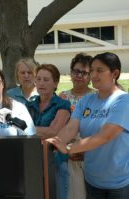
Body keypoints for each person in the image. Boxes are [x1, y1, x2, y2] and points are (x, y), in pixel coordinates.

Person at [47, 52, 129, 199]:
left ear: (114, 73)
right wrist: (54, 142)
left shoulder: (123, 100)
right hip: (93, 180)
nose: (94, 75)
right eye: (92, 70)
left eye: (99, 70)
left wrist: (68, 148)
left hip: (120, 183)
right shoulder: (86, 101)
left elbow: (105, 136)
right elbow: (71, 128)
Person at [26, 64, 71, 199]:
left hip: (56, 161)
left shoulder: (62, 105)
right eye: (38, 79)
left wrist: (27, 128)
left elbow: (53, 131)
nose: (41, 83)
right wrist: (40, 131)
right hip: (33, 161)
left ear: (55, 83)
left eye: (46, 80)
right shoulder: (29, 105)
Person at [59, 53, 94, 199]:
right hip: (68, 153)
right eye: (76, 71)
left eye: (84, 72)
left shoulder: (96, 97)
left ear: (90, 76)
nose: (79, 75)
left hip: (92, 152)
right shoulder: (62, 96)